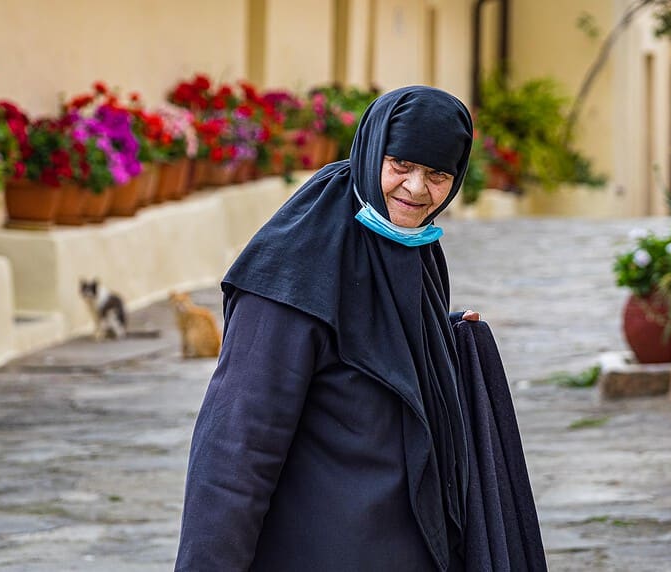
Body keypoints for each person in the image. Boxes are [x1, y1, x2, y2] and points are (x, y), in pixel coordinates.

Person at [175, 86, 545, 571]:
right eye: (401, 165)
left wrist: (445, 340)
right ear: (372, 153)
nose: (416, 189)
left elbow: (370, 351)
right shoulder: (296, 266)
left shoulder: (411, 244)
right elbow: (237, 444)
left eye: (437, 175)